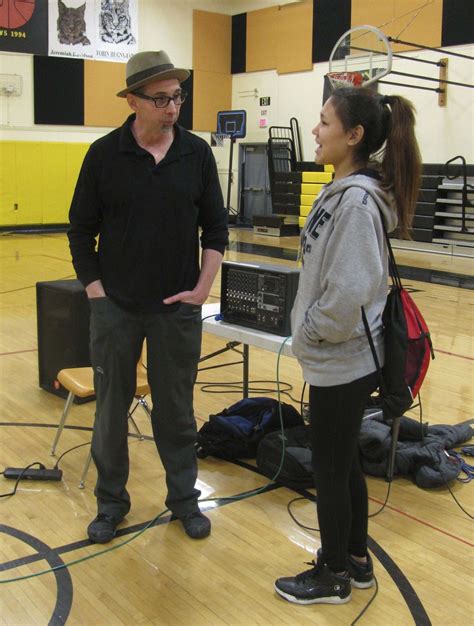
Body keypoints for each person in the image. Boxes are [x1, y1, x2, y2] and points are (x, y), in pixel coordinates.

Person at [68, 50, 228, 544]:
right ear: (133, 101)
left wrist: (202, 288)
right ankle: (111, 504)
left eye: (177, 96)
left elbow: (216, 228)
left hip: (176, 312)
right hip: (115, 309)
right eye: (161, 99)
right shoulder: (103, 155)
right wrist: (97, 294)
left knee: (177, 413)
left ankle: (184, 500)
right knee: (110, 414)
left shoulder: (197, 154)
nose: (172, 107)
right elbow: (80, 231)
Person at [274, 87, 421, 605]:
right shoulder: (341, 191)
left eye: (323, 122)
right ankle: (356, 560)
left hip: (343, 358)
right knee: (343, 464)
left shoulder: (357, 204)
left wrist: (311, 329)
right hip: (337, 358)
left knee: (331, 470)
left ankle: (333, 574)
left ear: (354, 136)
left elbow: (350, 294)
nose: (314, 130)